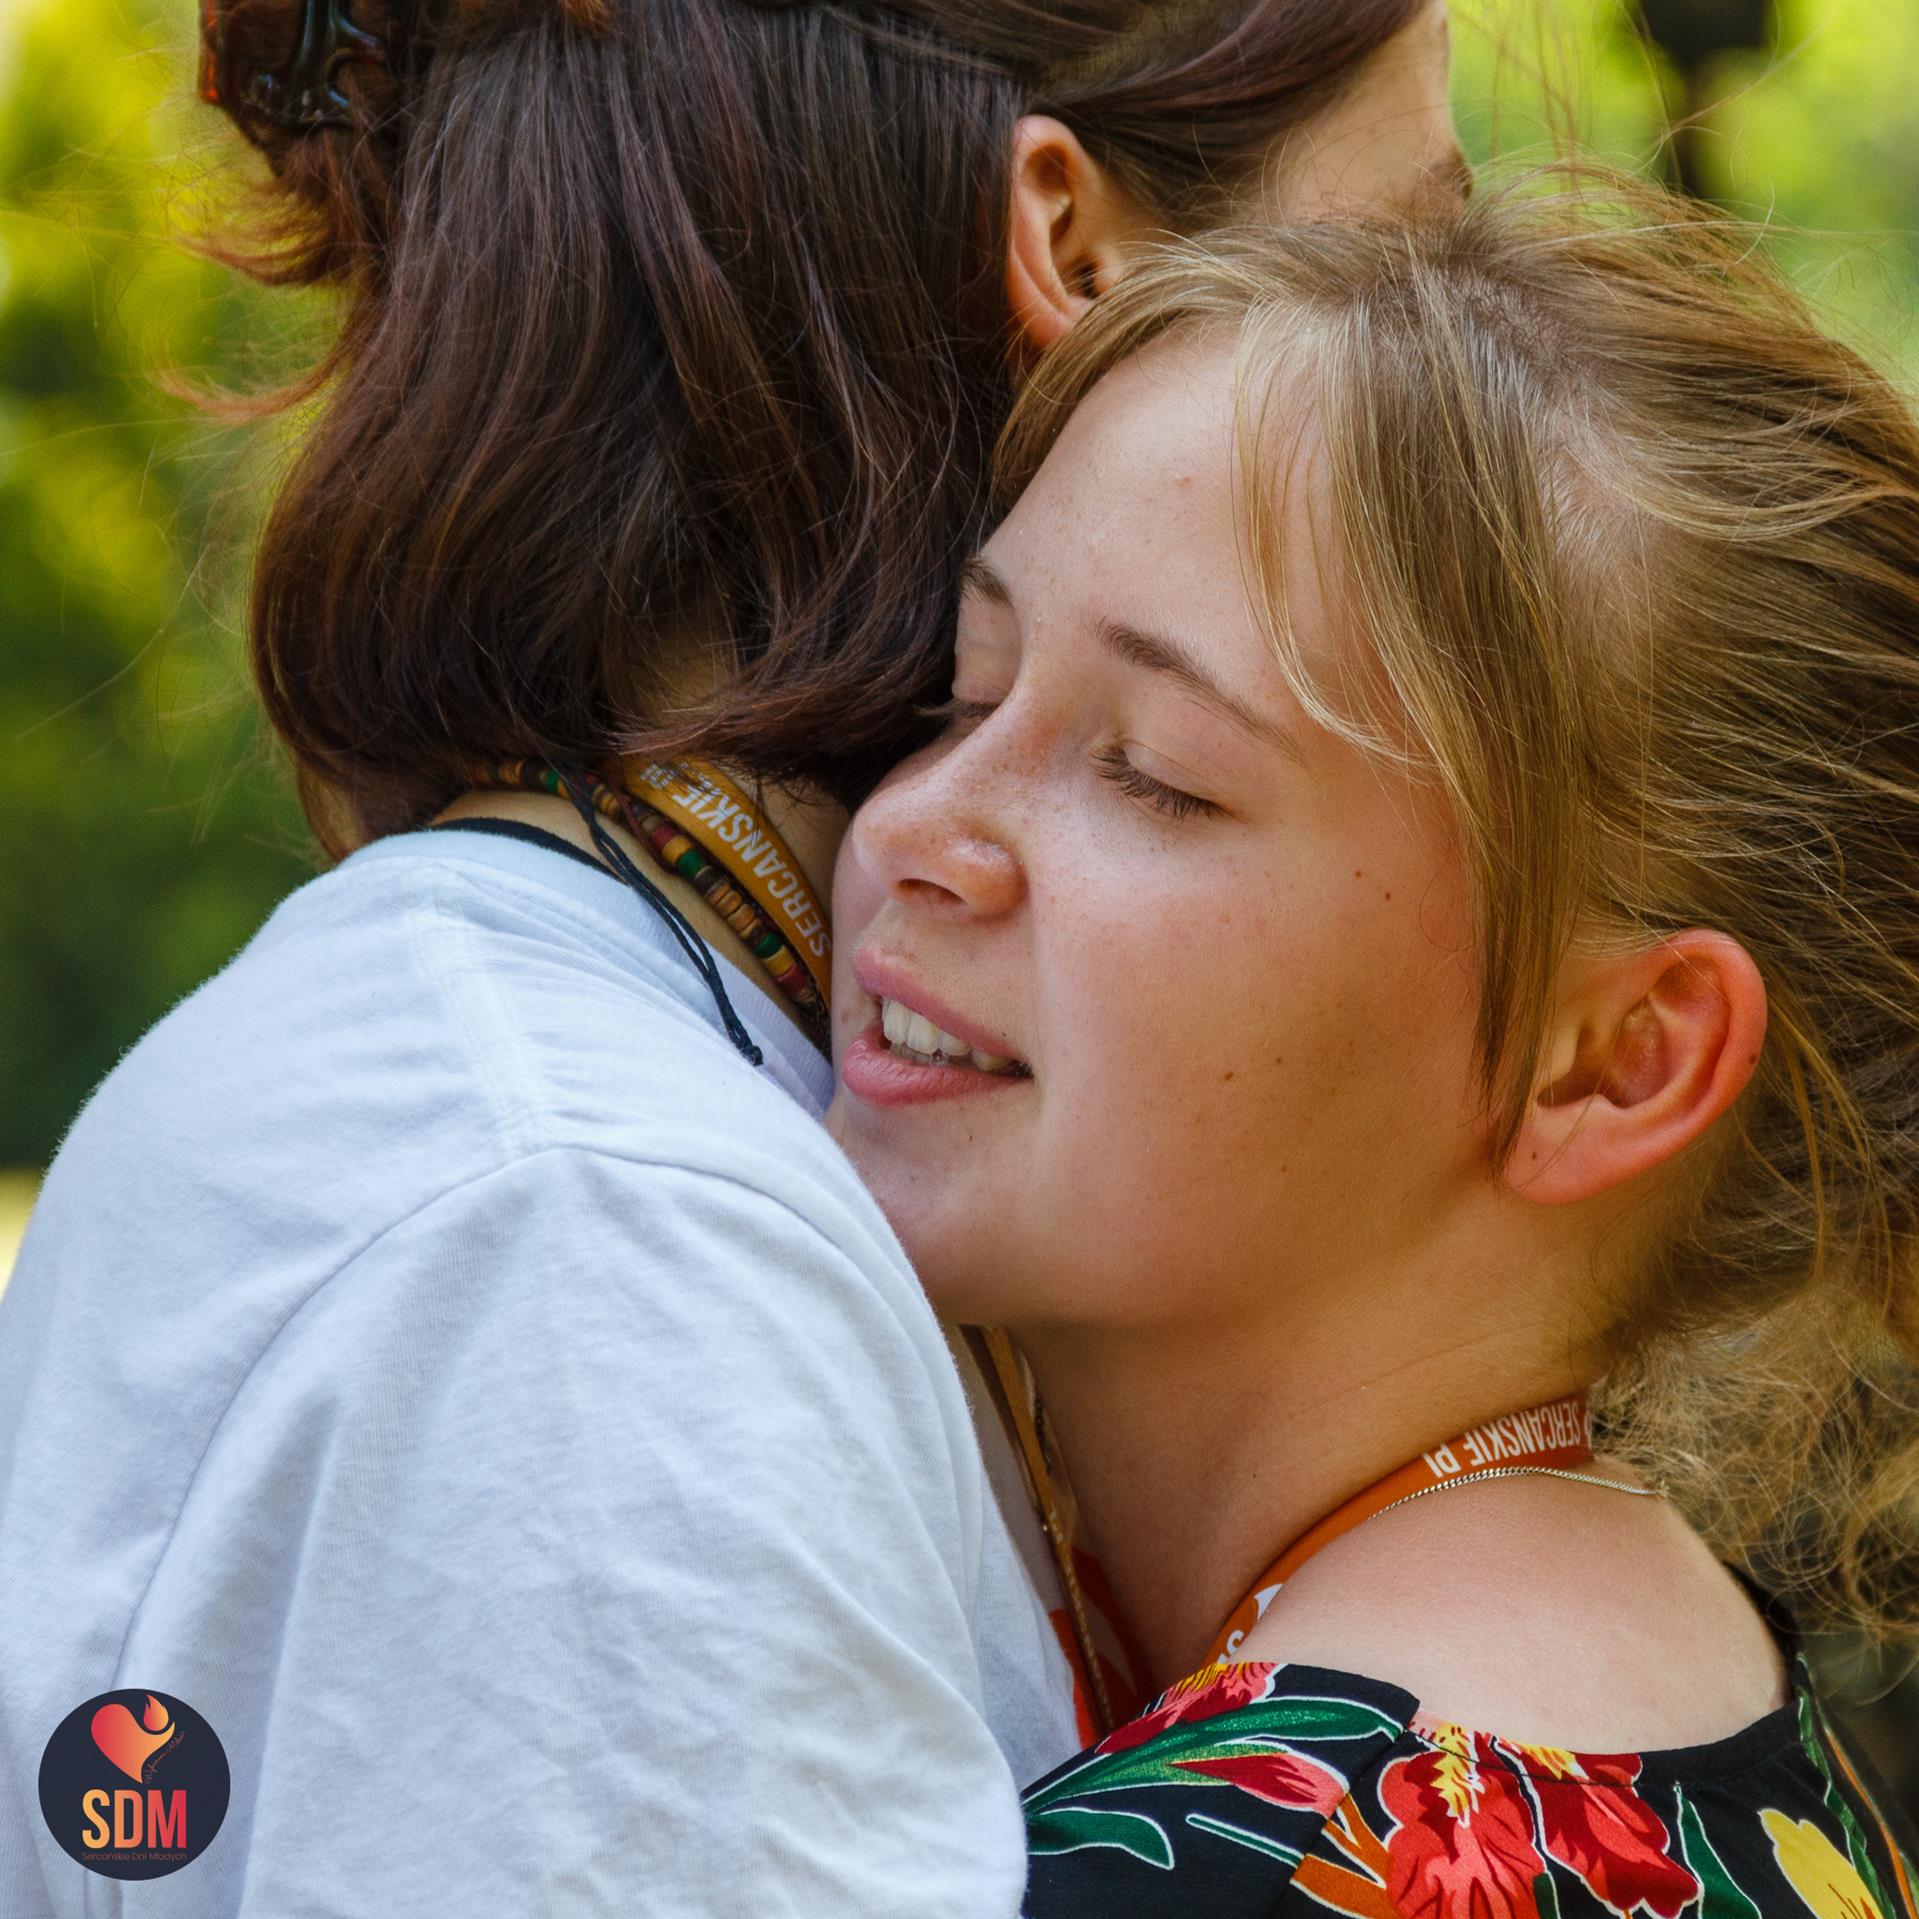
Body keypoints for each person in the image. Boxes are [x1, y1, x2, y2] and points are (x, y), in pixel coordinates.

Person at [0, 0, 1465, 1914]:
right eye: (1414, 248)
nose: (1478, 353)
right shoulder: (592, 1247)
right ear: (1077, 257)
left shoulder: (657, 1134)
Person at [825, 171, 1919, 1914]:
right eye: (965, 686)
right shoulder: (1699, 1711)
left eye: (1157, 778)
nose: (914, 831)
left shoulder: (1230, 1875)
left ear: (1610, 1061)